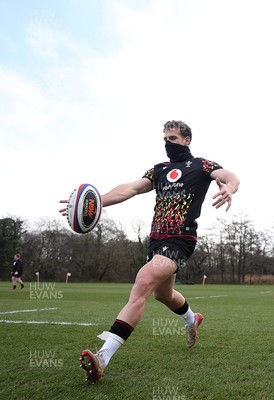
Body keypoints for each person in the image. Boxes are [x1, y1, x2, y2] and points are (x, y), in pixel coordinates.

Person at [60, 120, 240, 383]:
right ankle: (192, 319)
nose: (168, 143)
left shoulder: (201, 165)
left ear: (187, 140)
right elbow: (130, 189)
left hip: (181, 239)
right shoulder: (159, 170)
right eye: (165, 139)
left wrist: (229, 187)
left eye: (173, 138)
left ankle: (102, 357)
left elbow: (230, 176)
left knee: (143, 282)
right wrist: (95, 200)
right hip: (156, 241)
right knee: (163, 294)